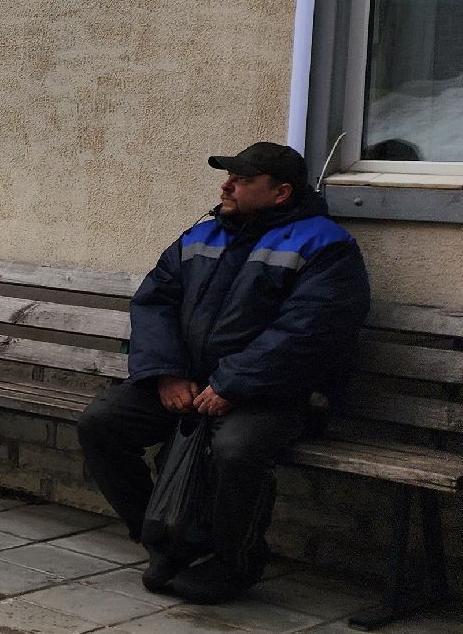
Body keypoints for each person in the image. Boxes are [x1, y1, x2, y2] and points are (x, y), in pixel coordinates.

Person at [77, 142, 370, 604]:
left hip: (274, 394)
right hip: (187, 382)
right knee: (102, 424)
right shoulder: (203, 234)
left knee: (233, 450)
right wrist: (166, 375)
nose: (226, 186)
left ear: (280, 193)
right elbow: (155, 303)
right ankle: (166, 541)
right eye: (228, 177)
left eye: (242, 180)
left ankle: (237, 560)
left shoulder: (325, 246)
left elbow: (310, 330)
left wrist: (233, 384)